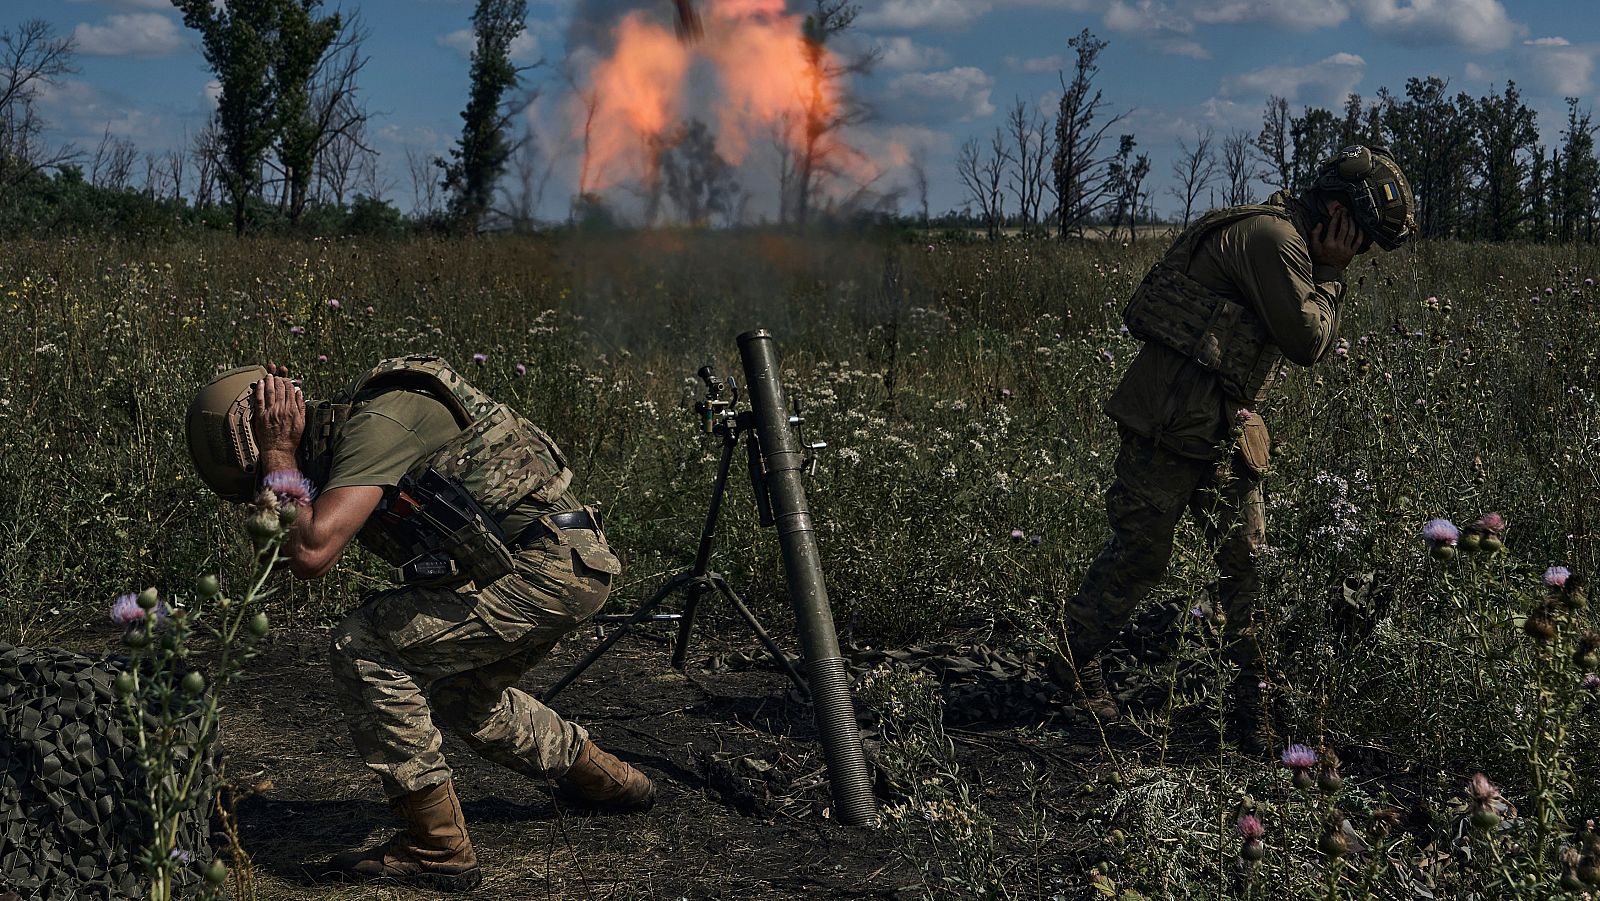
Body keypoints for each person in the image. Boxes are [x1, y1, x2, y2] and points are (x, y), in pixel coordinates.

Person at [186, 354, 655, 892]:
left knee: (364, 642)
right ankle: (613, 783)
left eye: (259, 482)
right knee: (464, 700)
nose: (266, 490)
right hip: (549, 568)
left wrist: (275, 451)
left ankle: (436, 845)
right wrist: (279, 469)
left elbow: (312, 553)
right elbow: (285, 550)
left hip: (548, 566)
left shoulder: (375, 425)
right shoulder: (347, 444)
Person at [1048, 144, 1416, 749]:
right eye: (1363, 237)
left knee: (1249, 561)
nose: (1363, 251)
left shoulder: (1285, 237)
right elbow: (1307, 341)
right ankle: (1071, 660)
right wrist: (1330, 275)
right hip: (1168, 423)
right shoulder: (1274, 240)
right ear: (1337, 211)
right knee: (1140, 553)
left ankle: (1252, 703)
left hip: (1223, 426)